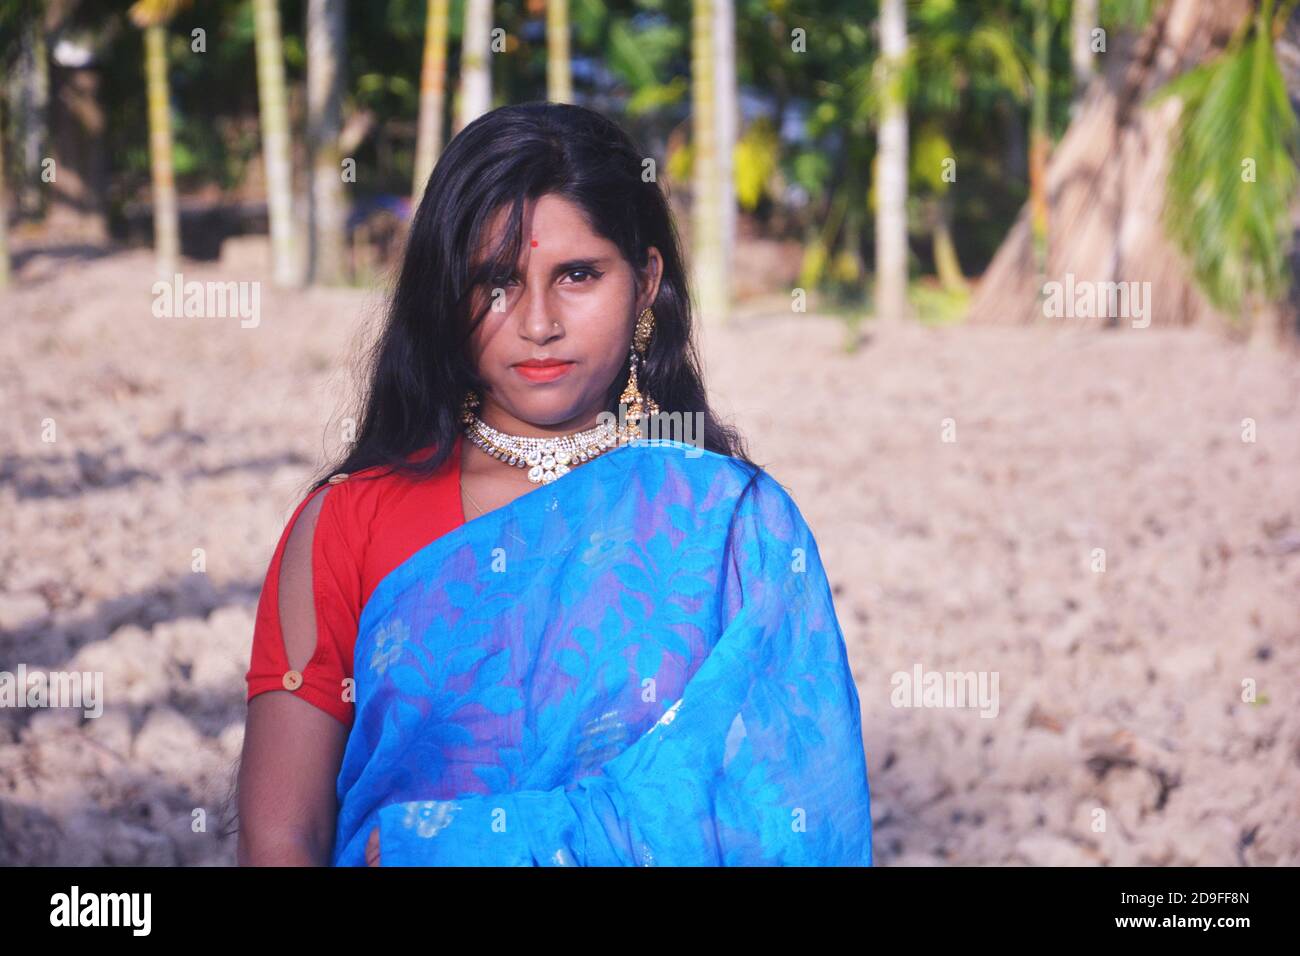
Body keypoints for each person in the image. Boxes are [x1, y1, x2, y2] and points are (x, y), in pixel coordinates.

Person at [237, 101, 872, 866]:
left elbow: (788, 809)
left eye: (577, 275)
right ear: (446, 296)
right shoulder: (348, 522)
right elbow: (283, 838)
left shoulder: (730, 524)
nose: (537, 322)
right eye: (495, 282)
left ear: (644, 284)